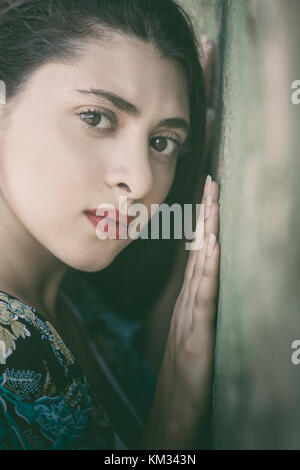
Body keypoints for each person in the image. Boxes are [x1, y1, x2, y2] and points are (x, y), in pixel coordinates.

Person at [0, 0, 220, 450]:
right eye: (95, 117)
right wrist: (173, 431)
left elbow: (138, 378)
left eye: (163, 141)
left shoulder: (69, 290)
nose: (139, 181)